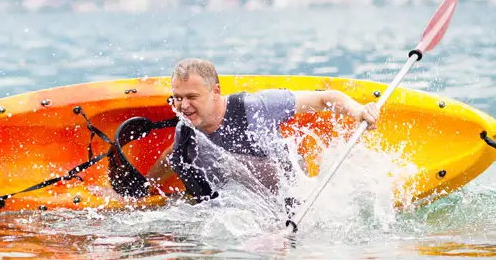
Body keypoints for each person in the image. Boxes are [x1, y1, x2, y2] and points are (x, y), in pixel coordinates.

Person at [145, 58, 380, 202]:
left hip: (291, 201)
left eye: (192, 97)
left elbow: (324, 99)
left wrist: (359, 111)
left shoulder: (254, 107)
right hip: (235, 209)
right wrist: (144, 187)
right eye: (177, 98)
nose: (183, 106)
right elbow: (173, 157)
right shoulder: (186, 128)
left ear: (216, 91)